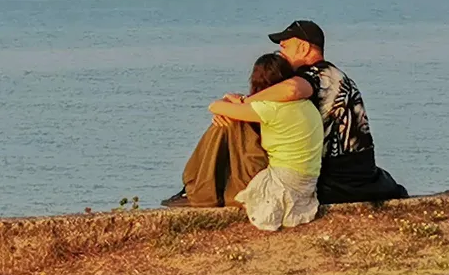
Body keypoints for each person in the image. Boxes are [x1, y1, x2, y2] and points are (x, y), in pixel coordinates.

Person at [161, 20, 408, 207]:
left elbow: (291, 89)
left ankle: (198, 186)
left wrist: (243, 104)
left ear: (303, 47)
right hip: (356, 172)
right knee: (234, 119)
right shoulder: (336, 75)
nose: (281, 50)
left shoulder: (317, 75)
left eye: (285, 45)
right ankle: (198, 184)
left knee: (230, 124)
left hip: (333, 177)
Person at [208, 53, 324, 231]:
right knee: (232, 119)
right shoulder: (307, 105)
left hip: (284, 179)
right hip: (307, 181)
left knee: (230, 125)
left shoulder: (270, 109)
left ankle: (202, 184)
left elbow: (214, 107)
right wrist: (239, 102)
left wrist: (228, 101)